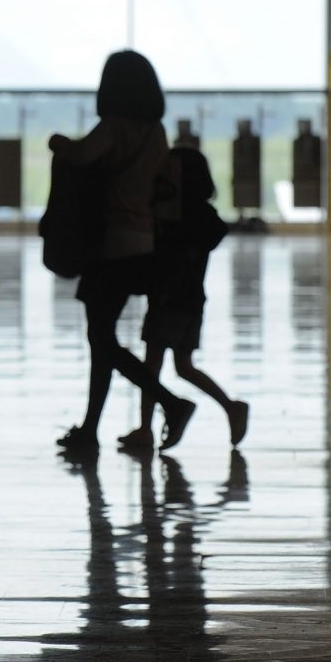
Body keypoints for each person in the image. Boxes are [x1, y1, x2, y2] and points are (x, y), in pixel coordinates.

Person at [48, 50, 196, 456]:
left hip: (110, 244)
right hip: (142, 244)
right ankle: (90, 429)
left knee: (101, 338)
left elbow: (80, 154)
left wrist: (56, 141)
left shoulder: (114, 127)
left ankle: (171, 403)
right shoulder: (156, 132)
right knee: (102, 338)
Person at [124, 146, 248, 450]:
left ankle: (145, 428)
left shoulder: (177, 215)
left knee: (151, 364)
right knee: (183, 365)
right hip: (193, 300)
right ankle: (230, 406)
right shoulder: (205, 216)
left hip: (169, 298)